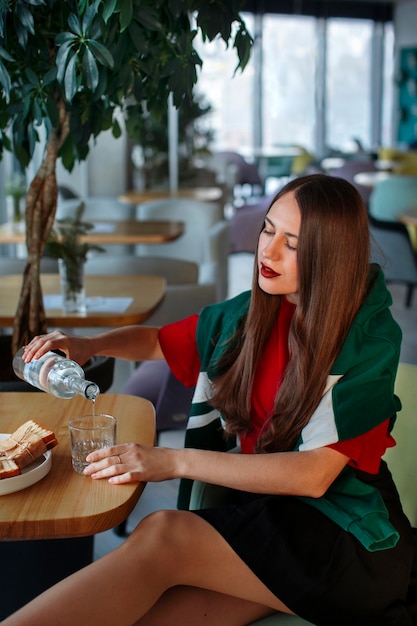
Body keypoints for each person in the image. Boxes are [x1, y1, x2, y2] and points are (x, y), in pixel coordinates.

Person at [4, 174, 415, 626]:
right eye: (268, 229)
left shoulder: (368, 340)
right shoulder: (253, 313)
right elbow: (161, 342)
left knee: (163, 533)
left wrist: (172, 461)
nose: (268, 250)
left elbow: (313, 476)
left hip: (346, 537)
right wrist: (91, 344)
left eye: (293, 244)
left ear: (331, 255)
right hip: (273, 516)